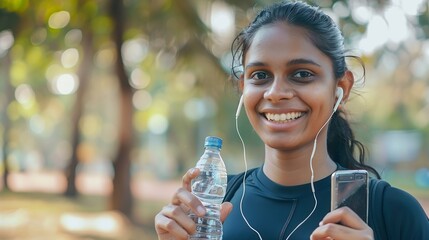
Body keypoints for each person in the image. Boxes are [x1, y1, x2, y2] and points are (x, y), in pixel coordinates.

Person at [154, 1, 429, 239]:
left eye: (302, 74)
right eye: (260, 75)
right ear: (243, 88)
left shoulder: (393, 213)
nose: (275, 93)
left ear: (341, 88)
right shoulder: (212, 208)